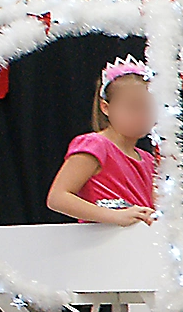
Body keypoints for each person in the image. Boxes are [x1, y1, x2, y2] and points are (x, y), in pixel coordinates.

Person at [45, 57, 158, 226]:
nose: (141, 116)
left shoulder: (148, 159)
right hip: (102, 245)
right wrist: (116, 216)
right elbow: (58, 197)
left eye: (148, 108)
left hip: (138, 245)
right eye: (132, 107)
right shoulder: (95, 145)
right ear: (106, 108)